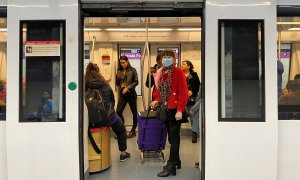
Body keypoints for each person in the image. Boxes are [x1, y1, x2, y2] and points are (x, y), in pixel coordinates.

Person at [150, 50, 188, 177]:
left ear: (174, 59)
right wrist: (156, 100)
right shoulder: (161, 72)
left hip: (175, 109)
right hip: (165, 109)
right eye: (164, 57)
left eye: (169, 57)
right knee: (172, 138)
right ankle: (177, 161)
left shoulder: (178, 71)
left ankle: (171, 165)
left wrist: (180, 110)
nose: (166, 59)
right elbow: (158, 90)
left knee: (174, 138)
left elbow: (183, 91)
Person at [85, 62, 130, 162]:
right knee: (121, 130)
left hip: (90, 120)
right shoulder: (105, 84)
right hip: (108, 118)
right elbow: (112, 101)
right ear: (98, 71)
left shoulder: (84, 85)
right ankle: (123, 153)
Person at [116, 55, 139, 138]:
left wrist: (127, 87)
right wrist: (118, 78)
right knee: (118, 111)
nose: (122, 64)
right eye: (121, 63)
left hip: (131, 93)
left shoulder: (133, 70)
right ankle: (122, 130)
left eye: (124, 62)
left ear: (127, 61)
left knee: (134, 112)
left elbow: (136, 82)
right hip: (123, 94)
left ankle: (133, 130)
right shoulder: (119, 71)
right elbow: (117, 84)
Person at [181, 60, 200, 143]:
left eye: (184, 64)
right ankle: (175, 135)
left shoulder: (194, 75)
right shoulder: (179, 74)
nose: (182, 65)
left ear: (188, 66)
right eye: (182, 64)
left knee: (193, 116)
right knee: (178, 116)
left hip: (191, 99)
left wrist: (192, 92)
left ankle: (194, 133)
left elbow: (198, 86)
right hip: (181, 99)